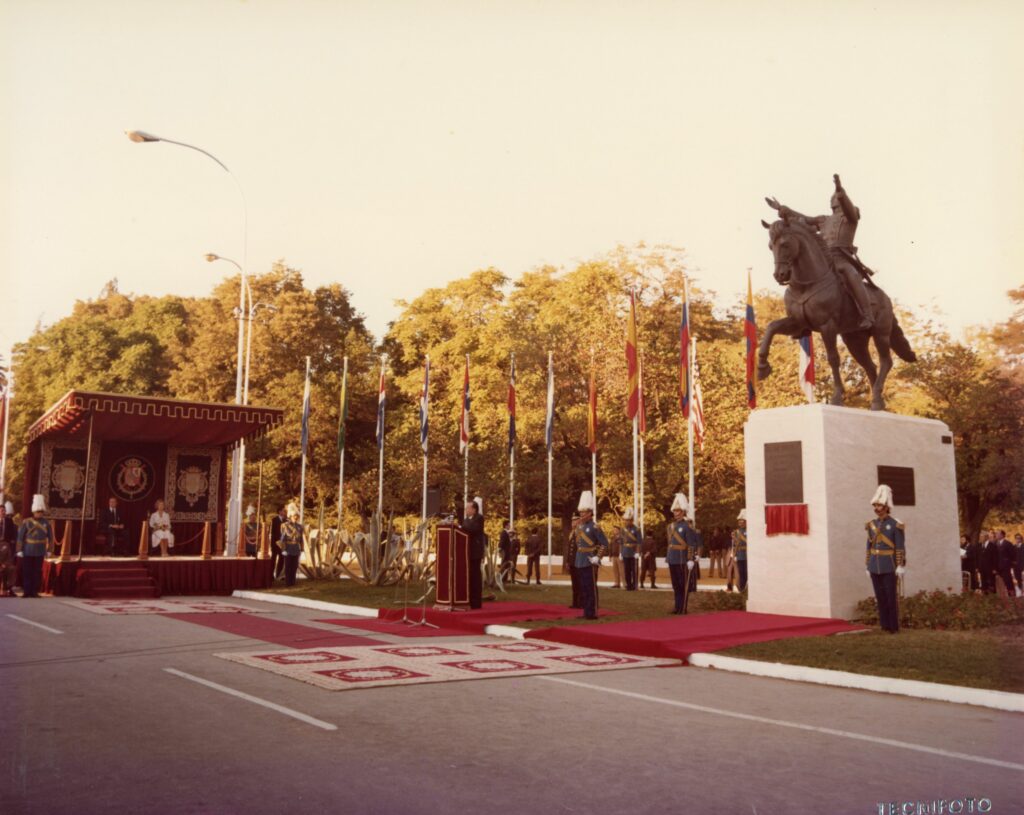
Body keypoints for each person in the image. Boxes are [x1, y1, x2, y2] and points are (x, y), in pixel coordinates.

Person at [767, 173, 875, 329]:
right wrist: (783, 208)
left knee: (850, 273)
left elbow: (848, 207)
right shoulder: (823, 219)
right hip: (824, 258)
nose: (835, 203)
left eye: (838, 201)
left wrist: (840, 191)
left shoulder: (850, 218)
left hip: (842, 257)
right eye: (836, 201)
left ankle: (867, 314)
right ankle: (799, 316)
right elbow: (802, 217)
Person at [865, 484, 905, 634]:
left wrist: (900, 565)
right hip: (875, 565)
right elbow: (868, 545)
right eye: (875, 505)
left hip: (889, 564)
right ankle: (884, 624)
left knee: (890, 597)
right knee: (880, 596)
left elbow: (900, 546)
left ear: (887, 506)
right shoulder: (871, 525)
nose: (877, 508)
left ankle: (893, 626)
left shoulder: (896, 524)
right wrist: (868, 564)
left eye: (879, 505)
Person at [573, 491, 607, 620]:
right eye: (581, 512)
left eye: (584, 512)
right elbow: (579, 544)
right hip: (580, 559)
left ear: (590, 513)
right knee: (583, 588)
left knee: (590, 587)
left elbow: (604, 543)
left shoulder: (595, 527)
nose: (581, 515)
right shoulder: (580, 527)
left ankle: (592, 612)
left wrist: (597, 557)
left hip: (590, 560)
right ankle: (586, 611)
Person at [665, 494, 699, 614]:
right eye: (674, 510)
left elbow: (691, 544)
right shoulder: (671, 527)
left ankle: (683, 607)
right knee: (675, 585)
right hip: (672, 559)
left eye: (678, 510)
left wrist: (690, 559)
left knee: (682, 584)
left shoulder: (687, 526)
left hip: (682, 559)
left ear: (683, 511)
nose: (675, 513)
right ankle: (677, 606)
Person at [17, 494, 55, 598]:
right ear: (34, 512)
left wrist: (49, 550)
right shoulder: (27, 522)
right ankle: (26, 591)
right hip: (28, 549)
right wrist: (19, 549)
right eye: (38, 512)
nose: (40, 514)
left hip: (40, 550)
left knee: (37, 572)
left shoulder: (46, 523)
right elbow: (20, 536)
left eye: (41, 512)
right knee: (27, 571)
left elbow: (51, 537)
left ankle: (34, 591)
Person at [460, 498, 485, 609]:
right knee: (469, 576)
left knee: (475, 576)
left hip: (475, 551)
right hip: (466, 551)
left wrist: (461, 527)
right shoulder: (465, 520)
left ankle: (476, 601)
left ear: (474, 510)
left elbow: (474, 529)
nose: (466, 510)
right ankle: (468, 599)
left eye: (468, 508)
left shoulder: (479, 518)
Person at [279, 503, 304, 587]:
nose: (296, 517)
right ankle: (288, 582)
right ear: (290, 516)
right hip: (288, 548)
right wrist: (283, 550)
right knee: (288, 566)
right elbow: (282, 539)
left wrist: (301, 548)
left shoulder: (300, 527)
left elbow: (301, 539)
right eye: (294, 516)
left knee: (294, 566)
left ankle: (293, 581)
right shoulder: (285, 526)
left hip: (296, 548)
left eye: (297, 516)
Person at [620, 508, 640, 591]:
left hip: (633, 552)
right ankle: (628, 585)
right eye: (625, 520)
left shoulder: (637, 529)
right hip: (625, 551)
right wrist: (620, 553)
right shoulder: (623, 530)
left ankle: (634, 585)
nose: (626, 522)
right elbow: (621, 542)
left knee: (634, 570)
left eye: (628, 520)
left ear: (632, 520)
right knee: (627, 570)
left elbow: (639, 542)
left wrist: (637, 552)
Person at [996, 529, 1019, 597]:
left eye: (998, 534)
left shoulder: (1007, 543)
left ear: (1002, 535)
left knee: (1007, 579)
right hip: (998, 565)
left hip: (1006, 565)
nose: (997, 535)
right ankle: (1002, 594)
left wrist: (1010, 563)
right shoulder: (995, 543)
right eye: (997, 534)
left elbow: (1013, 554)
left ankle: (1011, 594)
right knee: (1000, 580)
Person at [566, 513, 582, 608]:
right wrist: (568, 561)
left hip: (578, 561)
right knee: (574, 583)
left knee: (579, 583)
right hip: (572, 562)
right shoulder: (572, 533)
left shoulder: (580, 532)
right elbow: (570, 549)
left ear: (579, 521)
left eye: (575, 520)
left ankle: (580, 602)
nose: (573, 522)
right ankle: (575, 602)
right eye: (572, 520)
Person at [978, 530, 999, 594]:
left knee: (991, 583)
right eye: (980, 537)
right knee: (984, 583)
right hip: (982, 568)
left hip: (990, 569)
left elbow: (995, 558)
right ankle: (985, 597)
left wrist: (995, 568)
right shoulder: (979, 546)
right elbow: (979, 558)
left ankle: (993, 597)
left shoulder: (992, 546)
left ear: (986, 537)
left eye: (982, 537)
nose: (980, 538)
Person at [733, 510, 749, 592]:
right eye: (739, 522)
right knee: (741, 573)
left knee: (746, 573)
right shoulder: (737, 531)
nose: (740, 523)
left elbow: (749, 542)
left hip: (746, 555)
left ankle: (745, 589)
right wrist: (734, 554)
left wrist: (742, 537)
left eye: (742, 522)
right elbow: (735, 545)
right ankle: (742, 589)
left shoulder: (748, 530)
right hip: (739, 555)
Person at [270, 506, 287, 579]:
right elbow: (272, 533)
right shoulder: (274, 520)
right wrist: (274, 543)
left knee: (281, 559)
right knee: (273, 559)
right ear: (279, 512)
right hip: (275, 543)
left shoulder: (286, 520)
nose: (284, 512)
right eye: (283, 511)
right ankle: (270, 575)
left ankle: (279, 575)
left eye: (285, 511)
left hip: (282, 544)